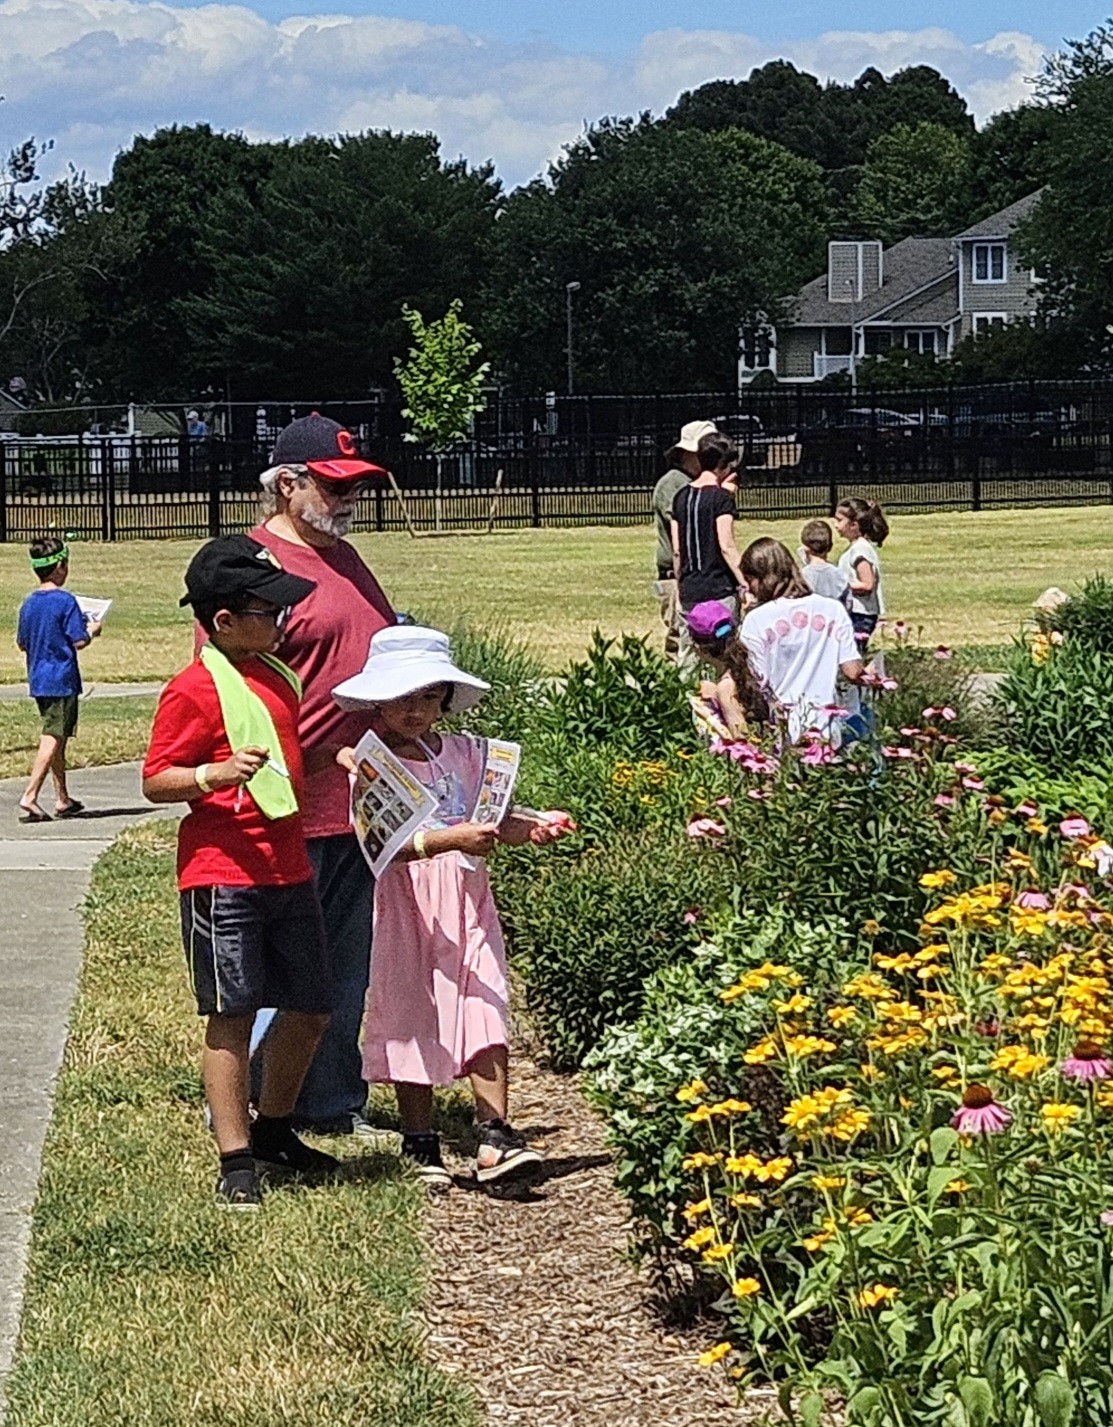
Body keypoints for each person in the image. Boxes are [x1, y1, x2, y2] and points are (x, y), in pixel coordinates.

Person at [332, 625, 576, 1187]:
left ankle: (495, 1132)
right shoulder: (372, 766)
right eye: (401, 698)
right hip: (410, 902)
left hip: (468, 898)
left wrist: (531, 829)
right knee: (413, 1010)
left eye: (426, 697)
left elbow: (492, 821)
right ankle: (421, 1140)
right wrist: (452, 839)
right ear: (377, 701)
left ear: (444, 698)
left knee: (485, 1003)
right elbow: (384, 847)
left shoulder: (466, 754)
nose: (414, 711)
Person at [142, 535, 339, 1208]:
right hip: (222, 873)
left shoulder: (278, 675)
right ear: (223, 620)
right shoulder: (192, 689)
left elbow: (284, 765)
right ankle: (235, 1159)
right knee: (232, 1012)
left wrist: (337, 755)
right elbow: (155, 779)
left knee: (311, 1007)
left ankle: (275, 1128)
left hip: (287, 869)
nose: (281, 621)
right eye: (268, 610)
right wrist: (210, 773)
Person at [249, 412, 395, 1137]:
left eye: (353, 488)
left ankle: (330, 1103)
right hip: (287, 801)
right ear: (286, 484)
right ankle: (260, 1104)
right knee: (285, 970)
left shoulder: (346, 558)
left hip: (360, 800)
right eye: (332, 488)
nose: (345, 502)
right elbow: (233, 690)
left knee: (344, 966)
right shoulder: (256, 566)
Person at [738, 537, 864, 745]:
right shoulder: (833, 609)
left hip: (781, 724)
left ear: (763, 578)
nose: (749, 590)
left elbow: (755, 682)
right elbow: (852, 671)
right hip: (826, 723)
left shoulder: (757, 620)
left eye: (750, 581)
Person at [16, 537, 103, 822]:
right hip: (62, 678)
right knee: (53, 736)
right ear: (60, 567)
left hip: (39, 678)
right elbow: (78, 641)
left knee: (59, 738)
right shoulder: (66, 601)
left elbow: (22, 643)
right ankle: (30, 795)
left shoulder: (28, 604)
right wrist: (93, 630)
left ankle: (62, 797)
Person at [671, 431, 745, 677]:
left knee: (689, 654)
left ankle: (685, 704)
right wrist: (746, 582)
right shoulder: (722, 499)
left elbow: (677, 549)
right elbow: (726, 545)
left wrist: (680, 582)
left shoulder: (680, 497)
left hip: (690, 588)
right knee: (725, 654)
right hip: (718, 590)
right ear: (724, 466)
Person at [651, 420, 718, 660]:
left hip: (700, 573)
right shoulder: (673, 484)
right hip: (678, 575)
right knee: (680, 641)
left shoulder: (701, 483)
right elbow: (683, 535)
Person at [685, 600, 768, 741]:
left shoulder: (726, 687)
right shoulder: (755, 663)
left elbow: (742, 741)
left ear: (699, 648)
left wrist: (708, 716)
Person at [835, 497, 889, 653]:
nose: (835, 524)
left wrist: (840, 584)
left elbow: (867, 584)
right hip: (854, 612)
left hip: (860, 615)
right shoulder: (854, 548)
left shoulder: (860, 550)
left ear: (853, 525)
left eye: (839, 520)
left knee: (853, 654)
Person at [799, 520, 850, 607]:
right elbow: (848, 603)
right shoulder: (841, 575)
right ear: (830, 547)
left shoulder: (801, 577)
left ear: (805, 548)